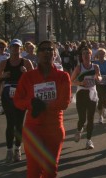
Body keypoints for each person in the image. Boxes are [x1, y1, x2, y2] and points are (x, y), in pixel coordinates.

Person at [13, 40, 71, 178]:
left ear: (55, 54)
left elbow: (64, 102)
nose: (46, 52)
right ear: (37, 54)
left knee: (51, 170)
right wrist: (30, 103)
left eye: (50, 50)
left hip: (54, 128)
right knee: (34, 170)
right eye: (43, 50)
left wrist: (45, 105)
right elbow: (17, 100)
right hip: (33, 128)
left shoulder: (63, 76)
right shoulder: (28, 77)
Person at [0, 39, 34, 163]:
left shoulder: (26, 62)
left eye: (17, 47)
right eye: (13, 47)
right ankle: (9, 149)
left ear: (21, 49)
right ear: (10, 48)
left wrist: (26, 72)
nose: (15, 49)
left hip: (21, 92)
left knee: (19, 123)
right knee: (10, 122)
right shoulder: (4, 62)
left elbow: (34, 77)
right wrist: (3, 76)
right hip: (8, 93)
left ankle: (17, 149)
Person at [71, 46, 101, 150]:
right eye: (84, 54)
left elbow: (99, 76)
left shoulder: (95, 66)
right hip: (81, 94)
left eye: (88, 53)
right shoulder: (79, 67)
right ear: (81, 56)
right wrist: (80, 83)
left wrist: (99, 78)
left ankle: (89, 140)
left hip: (92, 93)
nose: (86, 55)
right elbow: (71, 81)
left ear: (91, 55)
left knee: (91, 118)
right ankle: (79, 130)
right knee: (82, 118)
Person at [93, 48, 106, 123]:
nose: (101, 55)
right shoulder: (94, 63)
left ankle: (105, 107)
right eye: (100, 54)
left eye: (103, 54)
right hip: (97, 84)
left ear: (105, 54)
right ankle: (100, 117)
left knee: (105, 100)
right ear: (97, 55)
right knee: (99, 99)